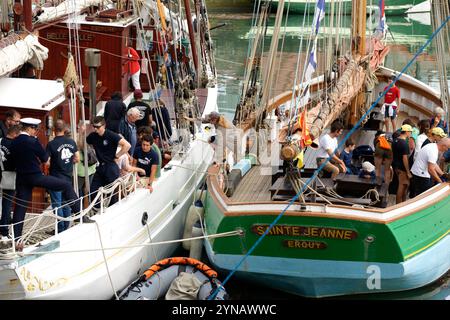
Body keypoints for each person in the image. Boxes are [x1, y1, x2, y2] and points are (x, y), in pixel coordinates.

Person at [10, 118, 81, 250]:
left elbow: (11, 162)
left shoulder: (14, 143)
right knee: (65, 186)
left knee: (20, 208)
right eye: (35, 129)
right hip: (35, 176)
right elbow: (44, 158)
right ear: (30, 128)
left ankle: (17, 241)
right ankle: (80, 215)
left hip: (21, 178)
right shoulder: (33, 141)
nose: (36, 132)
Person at [85, 116, 131, 208]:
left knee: (112, 194)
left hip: (110, 167)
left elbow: (127, 145)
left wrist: (117, 156)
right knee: (93, 191)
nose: (95, 129)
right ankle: (98, 209)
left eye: (98, 127)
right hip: (100, 167)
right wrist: (83, 132)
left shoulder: (111, 135)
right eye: (94, 127)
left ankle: (111, 210)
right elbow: (85, 142)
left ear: (104, 126)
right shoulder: (93, 136)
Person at [46, 120, 79, 233]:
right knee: (66, 203)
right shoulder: (71, 142)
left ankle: (60, 229)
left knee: (57, 204)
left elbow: (47, 162)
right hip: (67, 178)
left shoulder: (51, 144)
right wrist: (69, 162)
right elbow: (77, 159)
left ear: (54, 130)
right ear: (65, 130)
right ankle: (66, 227)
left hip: (55, 178)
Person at [0, 125, 21, 240]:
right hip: (10, 176)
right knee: (7, 205)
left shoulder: (0, 141)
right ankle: (4, 231)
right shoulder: (14, 145)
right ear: (15, 134)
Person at [392, 124, 413, 204]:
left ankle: (401, 203)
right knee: (402, 186)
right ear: (406, 132)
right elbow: (405, 159)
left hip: (396, 167)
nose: (410, 134)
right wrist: (408, 172)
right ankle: (399, 205)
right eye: (410, 132)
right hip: (402, 169)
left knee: (402, 185)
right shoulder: (404, 144)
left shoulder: (395, 140)